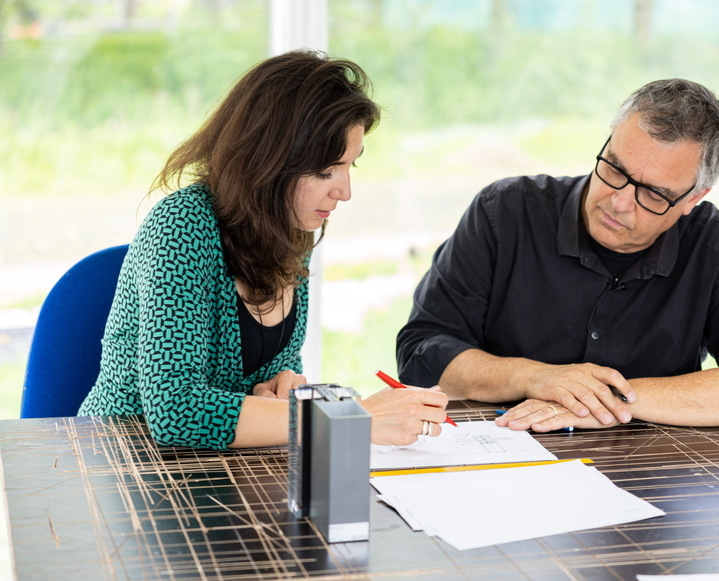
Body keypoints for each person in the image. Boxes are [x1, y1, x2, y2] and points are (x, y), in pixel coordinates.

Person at [396, 78, 719, 432]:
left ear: (694, 199)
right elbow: (422, 353)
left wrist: (610, 400)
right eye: (614, 168)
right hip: (500, 453)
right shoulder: (504, 212)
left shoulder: (717, 246)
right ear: (607, 143)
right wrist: (533, 377)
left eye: (653, 193)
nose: (619, 202)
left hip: (649, 487)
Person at [78, 50, 447, 449]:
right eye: (326, 171)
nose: (344, 192)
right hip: (120, 462)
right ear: (268, 161)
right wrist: (352, 417)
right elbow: (175, 411)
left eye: (349, 167)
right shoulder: (182, 224)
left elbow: (278, 371)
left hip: (216, 466)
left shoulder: (292, 225)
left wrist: (282, 388)